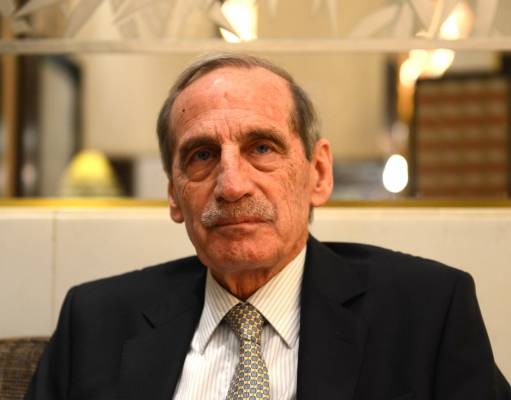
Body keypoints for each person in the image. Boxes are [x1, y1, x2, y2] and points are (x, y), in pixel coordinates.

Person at [26, 53, 510, 400]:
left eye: (261, 148)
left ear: (318, 173)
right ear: (174, 194)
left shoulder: (427, 313)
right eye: (202, 155)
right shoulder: (95, 322)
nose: (232, 186)